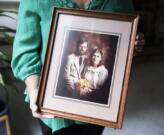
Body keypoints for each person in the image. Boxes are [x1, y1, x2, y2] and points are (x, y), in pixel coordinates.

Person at [11, 0, 145, 135]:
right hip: (53, 107)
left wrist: (131, 43)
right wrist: (34, 89)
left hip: (98, 108)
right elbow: (25, 50)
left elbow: (122, 40)